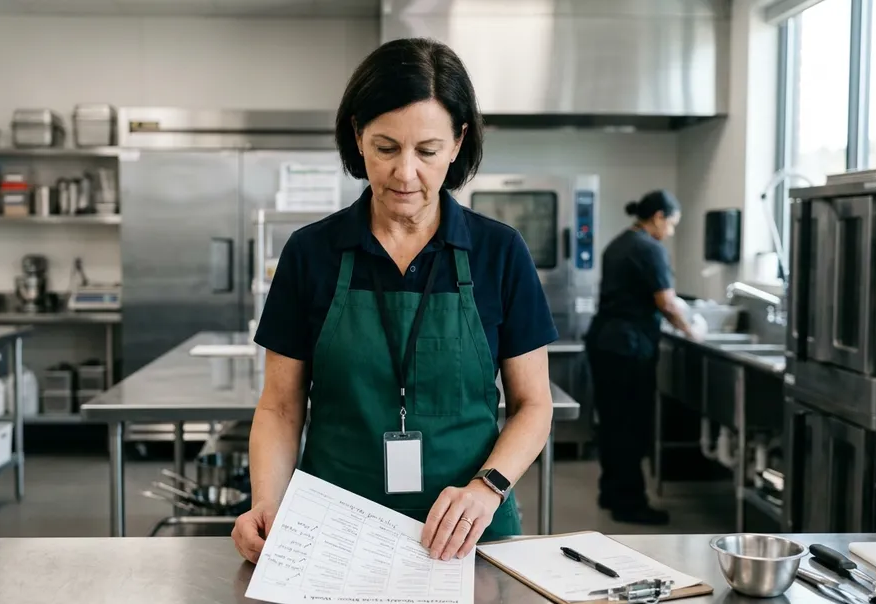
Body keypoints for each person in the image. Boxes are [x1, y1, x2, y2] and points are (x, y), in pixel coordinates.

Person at [232, 38, 558, 564]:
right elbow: (280, 405)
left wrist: (487, 488)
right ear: (358, 136)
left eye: (427, 151)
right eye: (386, 147)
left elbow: (534, 405)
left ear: (457, 143)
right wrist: (267, 503)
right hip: (334, 532)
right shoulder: (311, 253)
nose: (406, 173)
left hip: (467, 537)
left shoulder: (499, 252)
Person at [585, 190, 696, 526]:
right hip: (628, 348)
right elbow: (667, 302)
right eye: (672, 224)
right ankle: (629, 503)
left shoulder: (619, 243)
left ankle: (611, 491)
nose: (671, 231)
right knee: (631, 426)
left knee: (612, 423)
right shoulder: (650, 249)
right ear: (659, 217)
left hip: (605, 342)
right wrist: (691, 332)